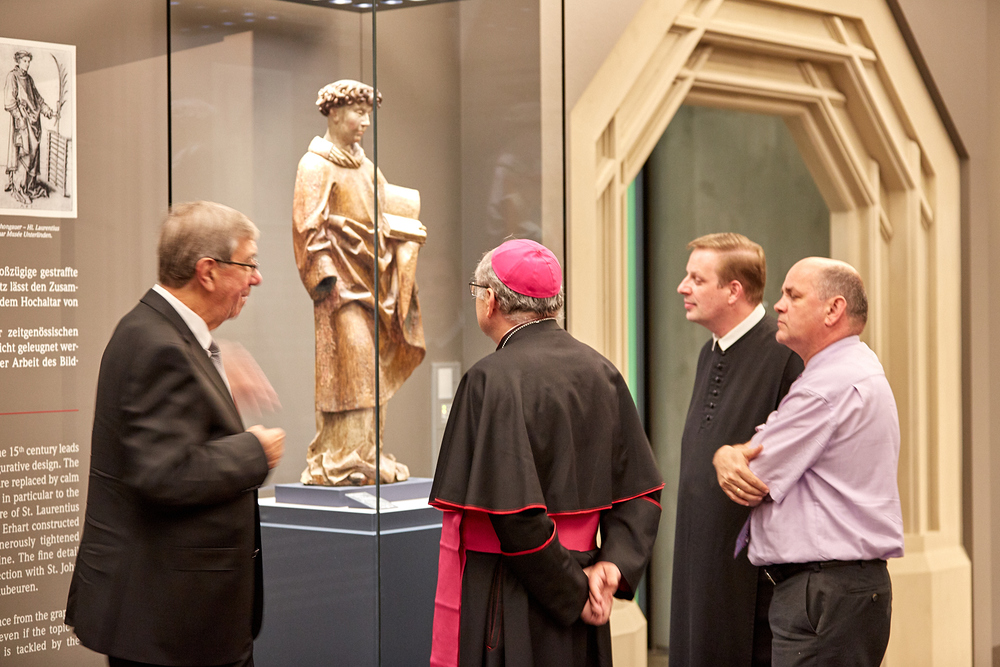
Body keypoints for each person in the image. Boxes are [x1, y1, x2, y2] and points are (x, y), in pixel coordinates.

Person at [66, 201, 286, 667]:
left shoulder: (164, 335)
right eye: (248, 264)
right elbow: (164, 472)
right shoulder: (158, 345)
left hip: (177, 619)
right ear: (207, 271)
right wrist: (255, 451)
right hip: (172, 627)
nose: (257, 278)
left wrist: (216, 379)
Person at [428, 239, 663, 667]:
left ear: (490, 301)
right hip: (585, 586)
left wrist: (572, 592)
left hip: (510, 589)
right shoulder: (602, 371)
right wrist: (611, 566)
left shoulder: (489, 379)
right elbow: (641, 492)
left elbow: (515, 515)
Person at [713, 257, 903, 667]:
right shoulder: (853, 367)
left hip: (824, 592)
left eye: (793, 295)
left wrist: (725, 454)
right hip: (840, 589)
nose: (779, 305)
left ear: (834, 310)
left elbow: (753, 475)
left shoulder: (827, 385)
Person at [669, 234, 803, 667]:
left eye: (696, 279)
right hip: (698, 563)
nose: (682, 287)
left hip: (750, 577)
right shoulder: (709, 352)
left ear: (733, 290)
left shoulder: (785, 355)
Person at [292, 78, 425, 486]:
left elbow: (385, 216)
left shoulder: (368, 168)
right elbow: (307, 228)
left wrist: (403, 236)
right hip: (342, 289)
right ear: (334, 113)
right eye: (358, 112)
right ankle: (342, 458)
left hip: (374, 283)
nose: (365, 122)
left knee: (373, 374)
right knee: (352, 370)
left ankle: (368, 453)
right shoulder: (315, 165)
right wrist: (326, 279)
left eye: (368, 114)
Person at [4, 49, 56, 205]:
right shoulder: (12, 76)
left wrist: (47, 110)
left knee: (34, 153)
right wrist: (19, 117)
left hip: (34, 123)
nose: (27, 64)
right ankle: (19, 188)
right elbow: (9, 101)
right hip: (22, 122)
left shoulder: (29, 79)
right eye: (24, 61)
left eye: (28, 61)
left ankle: (30, 186)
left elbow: (37, 98)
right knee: (23, 153)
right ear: (18, 61)